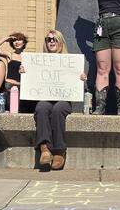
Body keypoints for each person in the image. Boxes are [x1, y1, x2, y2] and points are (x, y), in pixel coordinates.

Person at [23, 30, 87, 171]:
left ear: (60, 42)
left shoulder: (70, 61)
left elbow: (80, 86)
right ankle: (44, 148)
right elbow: (31, 80)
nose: (51, 41)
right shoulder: (37, 61)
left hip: (63, 99)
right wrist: (25, 73)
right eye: (48, 39)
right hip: (45, 97)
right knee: (41, 108)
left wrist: (81, 79)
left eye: (55, 39)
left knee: (58, 110)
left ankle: (59, 151)